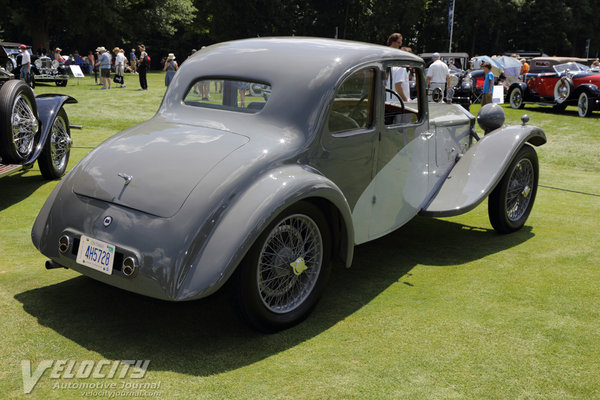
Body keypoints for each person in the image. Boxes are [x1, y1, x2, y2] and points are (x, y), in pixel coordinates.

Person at [386, 33, 410, 102]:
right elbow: (388, 74)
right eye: (399, 42)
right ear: (393, 42)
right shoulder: (389, 54)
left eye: (401, 42)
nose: (400, 45)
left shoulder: (396, 53)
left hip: (391, 96)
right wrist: (406, 100)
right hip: (394, 97)